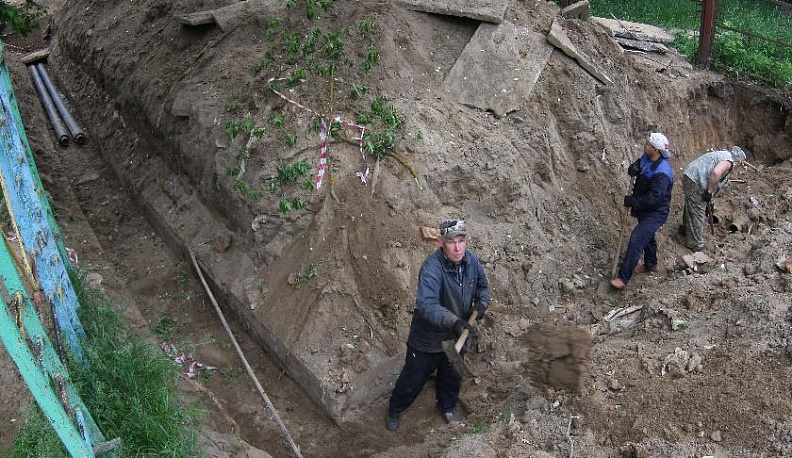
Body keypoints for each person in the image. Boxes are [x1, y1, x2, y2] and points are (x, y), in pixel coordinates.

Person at [386, 218, 491, 431]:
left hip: (457, 335)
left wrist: (481, 304)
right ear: (441, 241)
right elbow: (426, 304)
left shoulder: (471, 261)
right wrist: (454, 321)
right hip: (428, 337)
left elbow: (483, 287)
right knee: (413, 377)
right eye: (452, 241)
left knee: (452, 375)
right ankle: (395, 409)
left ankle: (447, 406)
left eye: (461, 240)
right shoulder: (432, 267)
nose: (458, 247)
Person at [610, 133, 674, 290]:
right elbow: (640, 165)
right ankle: (651, 264)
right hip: (645, 209)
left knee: (637, 239)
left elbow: (654, 199)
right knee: (648, 237)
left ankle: (623, 278)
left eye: (647, 144)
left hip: (656, 212)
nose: (644, 145)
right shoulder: (647, 157)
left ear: (656, 150)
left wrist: (633, 201)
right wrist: (634, 167)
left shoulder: (662, 172)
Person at [681, 146, 747, 253]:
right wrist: (709, 192)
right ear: (738, 161)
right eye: (740, 164)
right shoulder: (729, 162)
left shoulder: (723, 155)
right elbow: (716, 173)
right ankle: (695, 244)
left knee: (692, 206)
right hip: (696, 180)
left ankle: (686, 230)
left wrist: (710, 197)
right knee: (698, 211)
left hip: (691, 175)